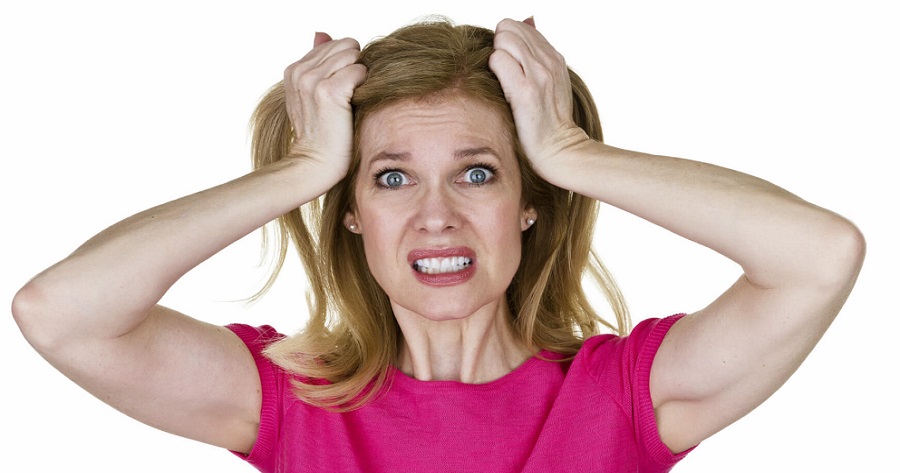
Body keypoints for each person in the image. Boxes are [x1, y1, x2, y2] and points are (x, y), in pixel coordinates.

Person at [11, 16, 864, 472]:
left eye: (478, 173)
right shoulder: (292, 401)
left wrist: (569, 152)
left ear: (528, 202)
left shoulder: (622, 397)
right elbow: (58, 313)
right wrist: (302, 170)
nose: (436, 215)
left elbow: (820, 254)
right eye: (390, 178)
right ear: (350, 211)